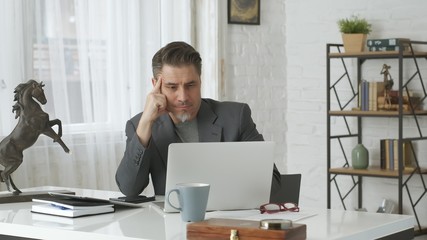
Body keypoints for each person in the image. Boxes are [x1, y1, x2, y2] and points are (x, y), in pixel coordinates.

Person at [115, 41, 281, 197]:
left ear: (200, 81)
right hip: (172, 222)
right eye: (172, 87)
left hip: (230, 219)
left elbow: (272, 183)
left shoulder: (236, 116)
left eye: (190, 85)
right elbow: (129, 189)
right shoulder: (140, 125)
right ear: (156, 85)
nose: (183, 97)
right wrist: (146, 124)